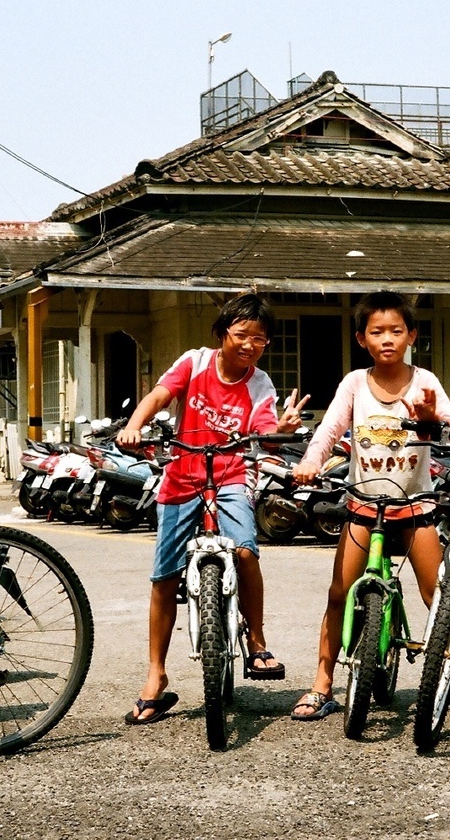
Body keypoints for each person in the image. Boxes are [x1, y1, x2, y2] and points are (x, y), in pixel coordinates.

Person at [117, 293, 309, 725]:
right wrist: (134, 427)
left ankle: (257, 641)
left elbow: (265, 434)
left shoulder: (261, 384)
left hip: (232, 477)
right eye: (241, 335)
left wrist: (282, 429)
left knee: (244, 550)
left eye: (259, 339)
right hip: (181, 477)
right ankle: (156, 675)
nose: (249, 345)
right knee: (164, 578)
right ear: (223, 334)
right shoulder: (195, 361)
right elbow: (159, 395)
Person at [289, 291, 450, 720]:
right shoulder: (353, 383)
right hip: (364, 505)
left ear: (412, 336)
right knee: (338, 592)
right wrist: (311, 462)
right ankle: (322, 683)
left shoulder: (426, 382)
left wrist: (430, 417)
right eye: (377, 332)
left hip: (416, 504)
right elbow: (329, 430)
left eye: (396, 331)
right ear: (362, 338)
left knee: (437, 595)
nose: (387, 339)